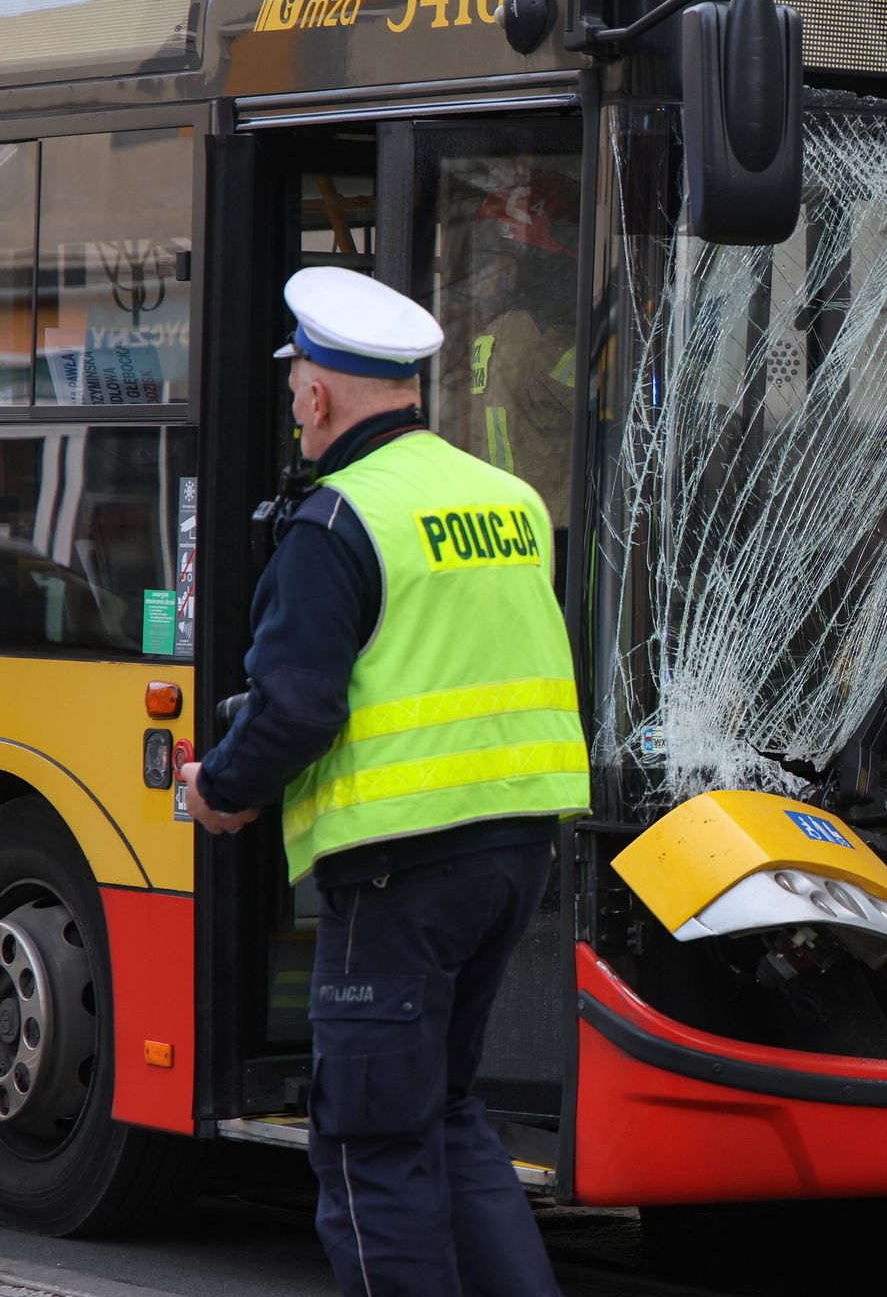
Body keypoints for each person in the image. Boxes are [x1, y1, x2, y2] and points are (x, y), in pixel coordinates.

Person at [178, 266, 588, 1297]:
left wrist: (221, 788)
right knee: (445, 1112)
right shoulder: (508, 500)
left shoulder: (338, 521)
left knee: (370, 1143)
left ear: (319, 394)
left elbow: (296, 709)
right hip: (516, 855)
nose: (294, 406)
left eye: (295, 387)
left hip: (401, 873)